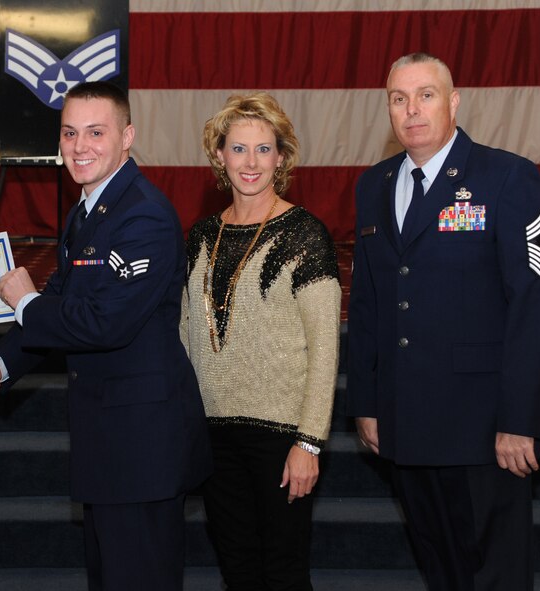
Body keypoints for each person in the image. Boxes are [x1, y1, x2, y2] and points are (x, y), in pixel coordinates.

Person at [0, 81, 213, 591]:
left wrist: (25, 301)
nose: (79, 146)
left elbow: (102, 322)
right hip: (110, 446)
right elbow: (57, 307)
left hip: (142, 449)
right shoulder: (88, 209)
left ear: (127, 137)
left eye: (96, 132)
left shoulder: (144, 215)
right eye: (70, 132)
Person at [346, 52, 540, 591]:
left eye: (426, 95)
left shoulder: (506, 177)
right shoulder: (373, 185)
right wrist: (367, 403)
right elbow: (370, 303)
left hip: (483, 425)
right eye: (399, 99)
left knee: (494, 573)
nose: (412, 110)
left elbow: (537, 304)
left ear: (454, 102)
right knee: (439, 565)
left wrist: (520, 419)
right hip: (404, 419)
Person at [180, 92, 341, 591]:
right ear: (220, 155)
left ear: (282, 156)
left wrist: (309, 443)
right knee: (238, 570)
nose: (251, 163)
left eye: (264, 149)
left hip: (281, 437)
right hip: (213, 436)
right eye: (239, 148)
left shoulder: (306, 234)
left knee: (284, 574)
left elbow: (325, 350)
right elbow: (186, 336)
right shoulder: (201, 235)